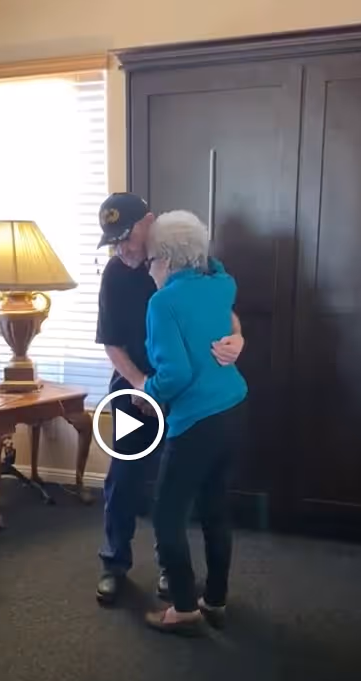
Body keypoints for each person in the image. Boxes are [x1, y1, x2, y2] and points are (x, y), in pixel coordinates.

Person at [95, 193, 244, 605]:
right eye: (114, 241)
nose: (123, 248)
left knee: (169, 489)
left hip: (183, 396)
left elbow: (224, 304)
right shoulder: (115, 274)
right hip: (134, 390)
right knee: (123, 479)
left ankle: (169, 571)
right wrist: (143, 385)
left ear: (149, 222)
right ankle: (114, 563)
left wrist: (239, 336)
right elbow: (112, 344)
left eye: (127, 236)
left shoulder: (187, 259)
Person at [130, 211, 248, 635]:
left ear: (166, 259)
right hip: (234, 408)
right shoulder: (221, 282)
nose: (149, 271)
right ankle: (214, 599)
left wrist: (149, 394)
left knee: (167, 517)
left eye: (151, 262)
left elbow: (176, 374)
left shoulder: (163, 303)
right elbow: (217, 269)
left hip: (197, 420)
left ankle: (183, 607)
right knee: (215, 509)